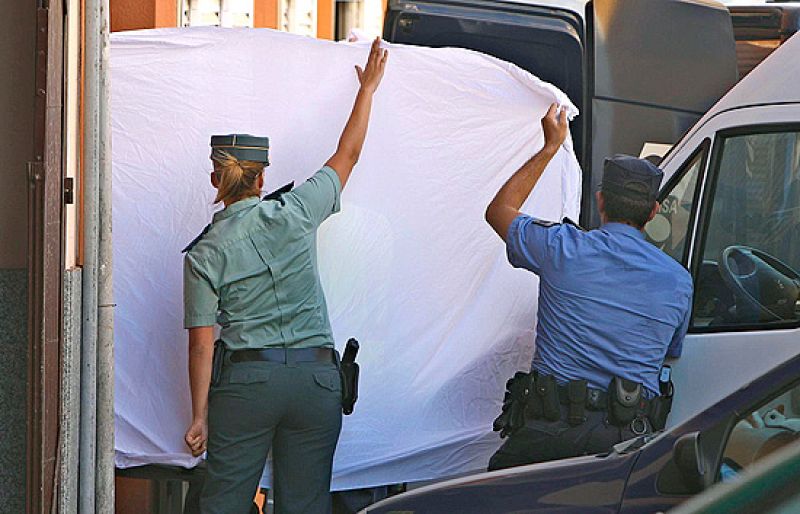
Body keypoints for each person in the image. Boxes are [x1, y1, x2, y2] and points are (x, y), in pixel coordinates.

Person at [182, 38, 388, 513]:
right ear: (261, 178)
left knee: (225, 503)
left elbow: (200, 343)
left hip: (248, 384)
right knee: (306, 505)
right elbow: (348, 154)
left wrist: (199, 416)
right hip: (317, 382)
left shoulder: (204, 255)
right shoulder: (296, 211)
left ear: (216, 180)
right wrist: (368, 90)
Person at [484, 104, 693, 470]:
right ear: (654, 211)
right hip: (625, 445)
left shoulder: (562, 249)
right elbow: (670, 350)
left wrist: (551, 147)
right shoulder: (679, 282)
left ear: (600, 202)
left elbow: (500, 209)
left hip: (546, 436)